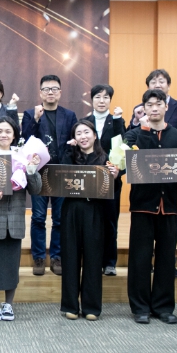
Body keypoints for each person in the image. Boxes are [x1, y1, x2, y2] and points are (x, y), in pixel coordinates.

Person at [127, 89, 177, 325]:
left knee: (166, 259)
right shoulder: (134, 136)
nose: (154, 108)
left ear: (166, 107)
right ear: (143, 108)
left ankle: (163, 307)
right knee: (140, 258)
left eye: (158, 104)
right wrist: (145, 131)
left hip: (170, 206)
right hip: (142, 206)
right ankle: (140, 307)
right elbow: (125, 163)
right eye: (149, 104)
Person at [0, 116, 41, 322]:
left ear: (14, 135)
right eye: (0, 131)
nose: (4, 135)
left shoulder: (22, 157)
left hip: (14, 220)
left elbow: (36, 190)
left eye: (8, 131)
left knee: (11, 265)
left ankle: (9, 304)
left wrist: (31, 169)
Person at [60, 120, 119, 321]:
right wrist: (68, 150)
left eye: (86, 132)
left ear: (95, 135)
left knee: (93, 259)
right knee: (70, 257)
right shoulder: (70, 156)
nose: (83, 136)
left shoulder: (105, 158)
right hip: (72, 210)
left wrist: (115, 177)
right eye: (78, 133)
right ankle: (70, 305)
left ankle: (91, 306)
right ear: (74, 138)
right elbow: (60, 179)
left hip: (96, 210)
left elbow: (113, 191)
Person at [21, 74, 78, 276]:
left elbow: (75, 140)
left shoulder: (69, 115)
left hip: (61, 172)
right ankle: (38, 257)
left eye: (54, 89)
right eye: (46, 89)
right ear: (40, 92)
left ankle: (56, 256)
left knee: (60, 218)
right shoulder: (30, 114)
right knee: (38, 217)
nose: (50, 92)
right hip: (39, 172)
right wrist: (36, 120)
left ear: (60, 92)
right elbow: (24, 140)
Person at [85, 84, 125, 277]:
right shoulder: (85, 122)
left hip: (111, 179)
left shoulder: (116, 120)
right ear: (92, 100)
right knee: (91, 222)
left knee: (110, 222)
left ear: (110, 100)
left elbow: (123, 147)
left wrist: (117, 121)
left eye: (106, 97)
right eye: (98, 97)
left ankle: (109, 262)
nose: (102, 101)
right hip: (90, 180)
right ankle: (92, 261)